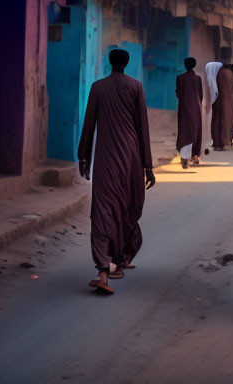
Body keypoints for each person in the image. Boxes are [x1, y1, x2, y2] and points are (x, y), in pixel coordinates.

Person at [78, 49, 155, 294]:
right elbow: (143, 128)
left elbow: (88, 124)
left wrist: (83, 157)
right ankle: (116, 264)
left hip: (105, 158)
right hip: (131, 159)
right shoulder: (136, 86)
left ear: (109, 62)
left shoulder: (98, 88)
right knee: (125, 208)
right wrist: (148, 166)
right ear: (127, 63)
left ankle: (105, 268)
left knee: (102, 210)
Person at [175, 57, 203, 169]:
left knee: (184, 131)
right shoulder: (198, 79)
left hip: (184, 108)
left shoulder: (180, 78)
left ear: (185, 65)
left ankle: (184, 156)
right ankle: (194, 155)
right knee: (195, 131)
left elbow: (178, 94)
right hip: (196, 108)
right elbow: (201, 96)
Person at [212, 62, 233, 150]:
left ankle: (218, 143)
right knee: (227, 120)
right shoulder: (230, 73)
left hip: (219, 99)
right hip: (229, 100)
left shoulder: (218, 74)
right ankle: (226, 141)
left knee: (218, 121)